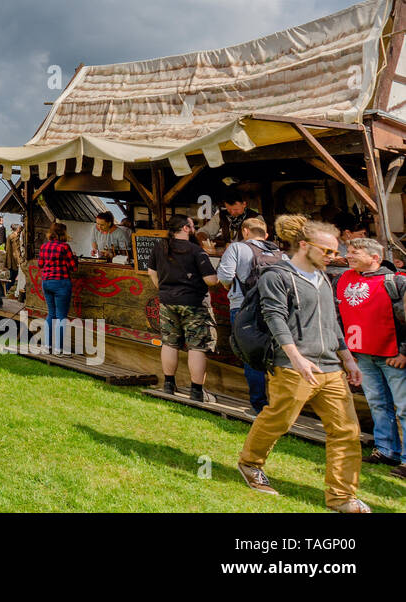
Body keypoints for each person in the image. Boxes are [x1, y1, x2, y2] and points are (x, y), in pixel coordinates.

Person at [237, 219, 369, 512]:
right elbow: (274, 317)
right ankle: (250, 463)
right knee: (279, 420)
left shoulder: (323, 278)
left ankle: (342, 497)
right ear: (305, 246)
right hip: (293, 366)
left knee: (346, 431)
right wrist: (296, 358)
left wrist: (347, 358)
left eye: (335, 253)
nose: (332, 257)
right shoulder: (276, 276)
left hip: (330, 368)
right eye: (327, 251)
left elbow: (331, 321)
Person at [335, 237, 406, 477]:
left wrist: (405, 351)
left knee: (404, 407)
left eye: (356, 252)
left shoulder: (396, 281)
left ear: (375, 257)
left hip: (392, 354)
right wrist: (347, 354)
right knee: (377, 403)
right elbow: (339, 315)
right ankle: (386, 449)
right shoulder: (342, 279)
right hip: (361, 354)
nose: (349, 255)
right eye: (349, 251)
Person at [147, 214, 220, 401]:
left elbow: (151, 272)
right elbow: (210, 280)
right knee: (197, 347)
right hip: (194, 303)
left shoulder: (159, 247)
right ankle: (196, 391)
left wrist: (162, 288)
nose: (194, 227)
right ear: (186, 228)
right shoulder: (196, 251)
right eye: (192, 225)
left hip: (167, 302)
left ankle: (169, 385)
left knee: (169, 343)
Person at [217, 217, 278, 413]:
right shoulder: (279, 253)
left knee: (251, 356)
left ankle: (258, 405)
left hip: (243, 307)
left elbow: (225, 276)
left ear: (245, 231)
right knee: (276, 355)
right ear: (266, 235)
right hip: (273, 309)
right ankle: (280, 405)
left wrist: (230, 287)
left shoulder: (236, 248)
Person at [37, 221, 78, 353]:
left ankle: (47, 345)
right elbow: (73, 267)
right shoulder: (65, 247)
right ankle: (58, 348)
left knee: (51, 314)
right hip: (61, 282)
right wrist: (75, 258)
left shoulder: (44, 246)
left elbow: (40, 264)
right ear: (63, 233)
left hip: (46, 282)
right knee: (61, 316)